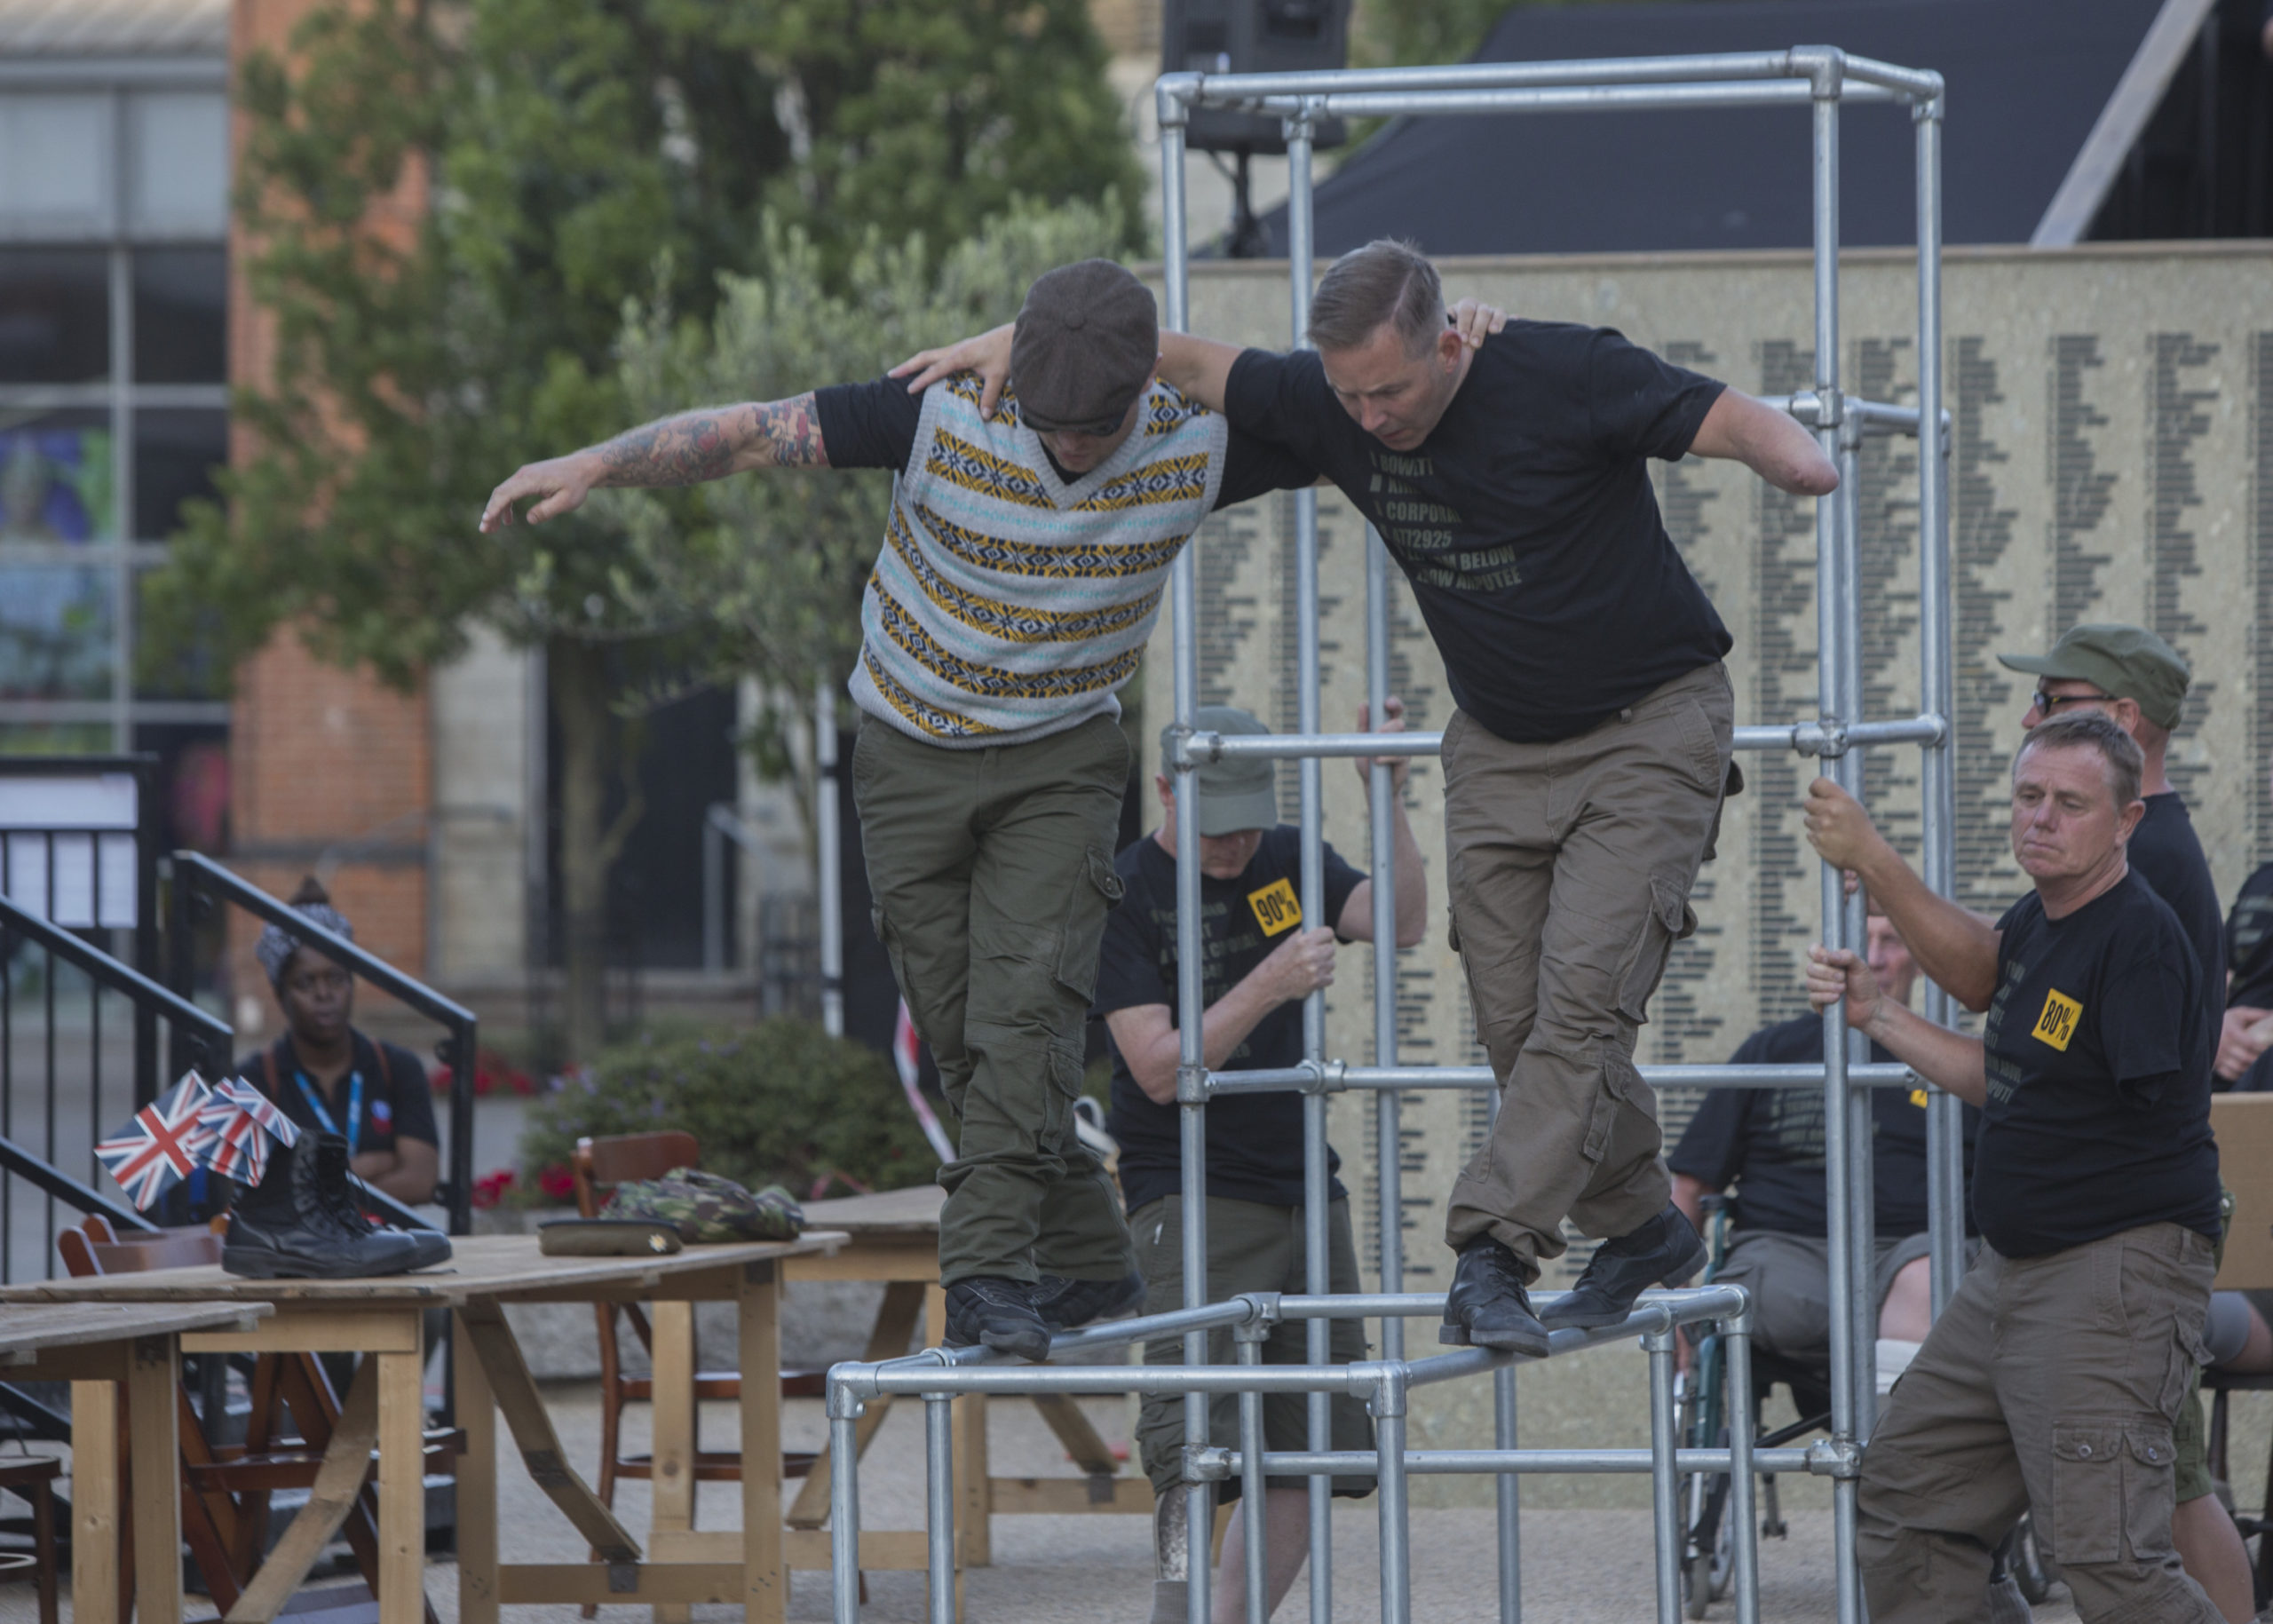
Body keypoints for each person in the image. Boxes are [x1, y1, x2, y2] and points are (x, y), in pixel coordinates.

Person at [482, 261, 1501, 1361]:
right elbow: (748, 434)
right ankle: (1091, 1254)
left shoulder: (1204, 437)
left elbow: (1370, 401)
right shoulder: (942, 410)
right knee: (968, 1045)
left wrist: (1472, 341)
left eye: (1095, 428)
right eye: (1049, 423)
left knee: (1025, 1022)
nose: (1070, 446)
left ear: (1141, 388)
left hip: (1059, 762)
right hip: (905, 753)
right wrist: (595, 461)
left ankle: (985, 1275)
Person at [899, 236, 1839, 1356]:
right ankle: (1640, 1223)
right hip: (1497, 741)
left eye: (1390, 389)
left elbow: (1717, 414)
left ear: (1450, 342)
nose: (1372, 418)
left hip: (1649, 727)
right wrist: (1031, 339)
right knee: (1514, 1022)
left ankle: (1492, 1248)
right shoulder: (1331, 404)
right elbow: (1189, 363)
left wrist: (1797, 457)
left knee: (1582, 1005)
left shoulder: (1561, 371)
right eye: (1349, 396)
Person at [1801, 622, 2258, 1618]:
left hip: (2107, 1273)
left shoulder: (2139, 927)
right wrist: (1881, 1012)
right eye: (2027, 796)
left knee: (2110, 1558)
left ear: (2125, 816)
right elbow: (2008, 1071)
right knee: (1907, 1496)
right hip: (2013, 1271)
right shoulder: (2039, 917)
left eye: (2068, 803)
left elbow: (2146, 1106)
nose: (2041, 819)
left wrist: (1877, 863)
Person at [1096, 702, 1426, 1624]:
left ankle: (1236, 1615)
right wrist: (1271, 980)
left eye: (1247, 819)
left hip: (1300, 1184)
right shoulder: (1123, 893)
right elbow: (1159, 1068)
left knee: (1308, 1439)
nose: (1235, 843)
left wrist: (1385, 788)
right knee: (1186, 1444)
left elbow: (1401, 919)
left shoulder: (1285, 853)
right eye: (1214, 824)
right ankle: (1176, 1608)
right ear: (1165, 791)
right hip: (1191, 1189)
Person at [1669, 912, 1976, 1393]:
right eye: (1859, 941)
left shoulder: (1957, 1059)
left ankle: (1892, 1457)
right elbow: (1687, 1186)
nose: (1873, 957)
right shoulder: (1771, 1051)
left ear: (1918, 956)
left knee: (1931, 1285)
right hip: (1787, 1254)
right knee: (1766, 1298)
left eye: (1891, 940)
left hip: (1918, 1253)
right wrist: (1672, 1305)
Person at [240, 877, 440, 1205]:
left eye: (336, 978)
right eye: (305, 983)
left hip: (387, 1249)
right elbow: (257, 1198)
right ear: (280, 994)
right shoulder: (257, 1080)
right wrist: (370, 1166)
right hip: (301, 1255)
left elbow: (420, 1180)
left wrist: (314, 1189)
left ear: (352, 982)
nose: (324, 994)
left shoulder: (397, 1068)